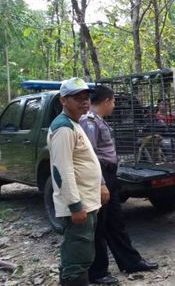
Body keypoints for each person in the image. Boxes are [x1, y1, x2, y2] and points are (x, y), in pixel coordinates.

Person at [80, 86, 158, 284]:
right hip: (100, 176)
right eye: (114, 102)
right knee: (100, 225)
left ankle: (131, 261)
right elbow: (89, 157)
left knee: (116, 221)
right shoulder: (88, 122)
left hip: (109, 176)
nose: (114, 106)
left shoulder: (99, 121)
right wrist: (101, 184)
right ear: (106, 101)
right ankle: (97, 272)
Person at [47, 77, 104, 286]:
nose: (84, 102)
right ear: (63, 100)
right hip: (78, 204)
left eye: (86, 97)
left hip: (86, 201)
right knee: (78, 256)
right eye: (77, 98)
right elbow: (62, 170)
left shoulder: (74, 124)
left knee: (80, 253)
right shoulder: (63, 128)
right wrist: (75, 205)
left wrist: (100, 185)